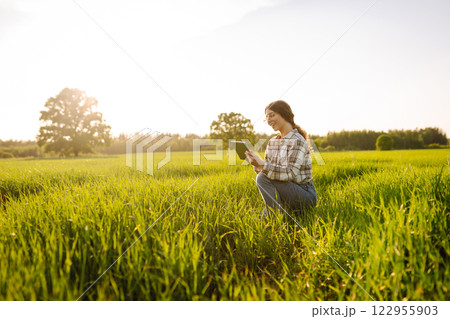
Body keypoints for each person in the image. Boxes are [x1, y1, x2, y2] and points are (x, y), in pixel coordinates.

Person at [245, 100, 317, 218]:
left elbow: (290, 173)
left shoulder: (297, 140)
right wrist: (257, 164)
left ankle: (275, 215)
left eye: (272, 115)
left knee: (262, 178)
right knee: (259, 219)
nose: (269, 121)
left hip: (304, 194)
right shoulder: (272, 142)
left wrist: (263, 165)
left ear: (284, 114)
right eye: (267, 118)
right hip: (285, 192)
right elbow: (269, 172)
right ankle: (276, 211)